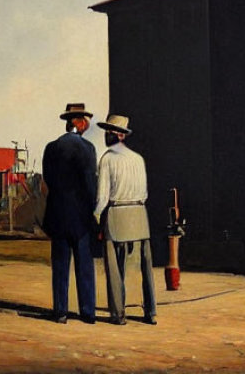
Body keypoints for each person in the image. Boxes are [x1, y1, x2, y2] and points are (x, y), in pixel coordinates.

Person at [95, 114, 157, 325]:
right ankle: (151, 312)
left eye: (109, 131)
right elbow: (146, 193)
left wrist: (95, 216)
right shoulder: (138, 159)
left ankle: (118, 314)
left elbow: (103, 197)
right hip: (139, 214)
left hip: (116, 214)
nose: (106, 135)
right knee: (146, 266)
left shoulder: (107, 159)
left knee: (114, 267)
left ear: (120, 135)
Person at [41, 103, 98, 324]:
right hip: (81, 216)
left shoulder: (50, 148)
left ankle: (61, 311)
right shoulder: (88, 148)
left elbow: (48, 180)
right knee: (84, 265)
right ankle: (87, 312)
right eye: (86, 122)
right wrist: (92, 209)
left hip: (57, 214)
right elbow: (90, 184)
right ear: (80, 122)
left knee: (60, 265)